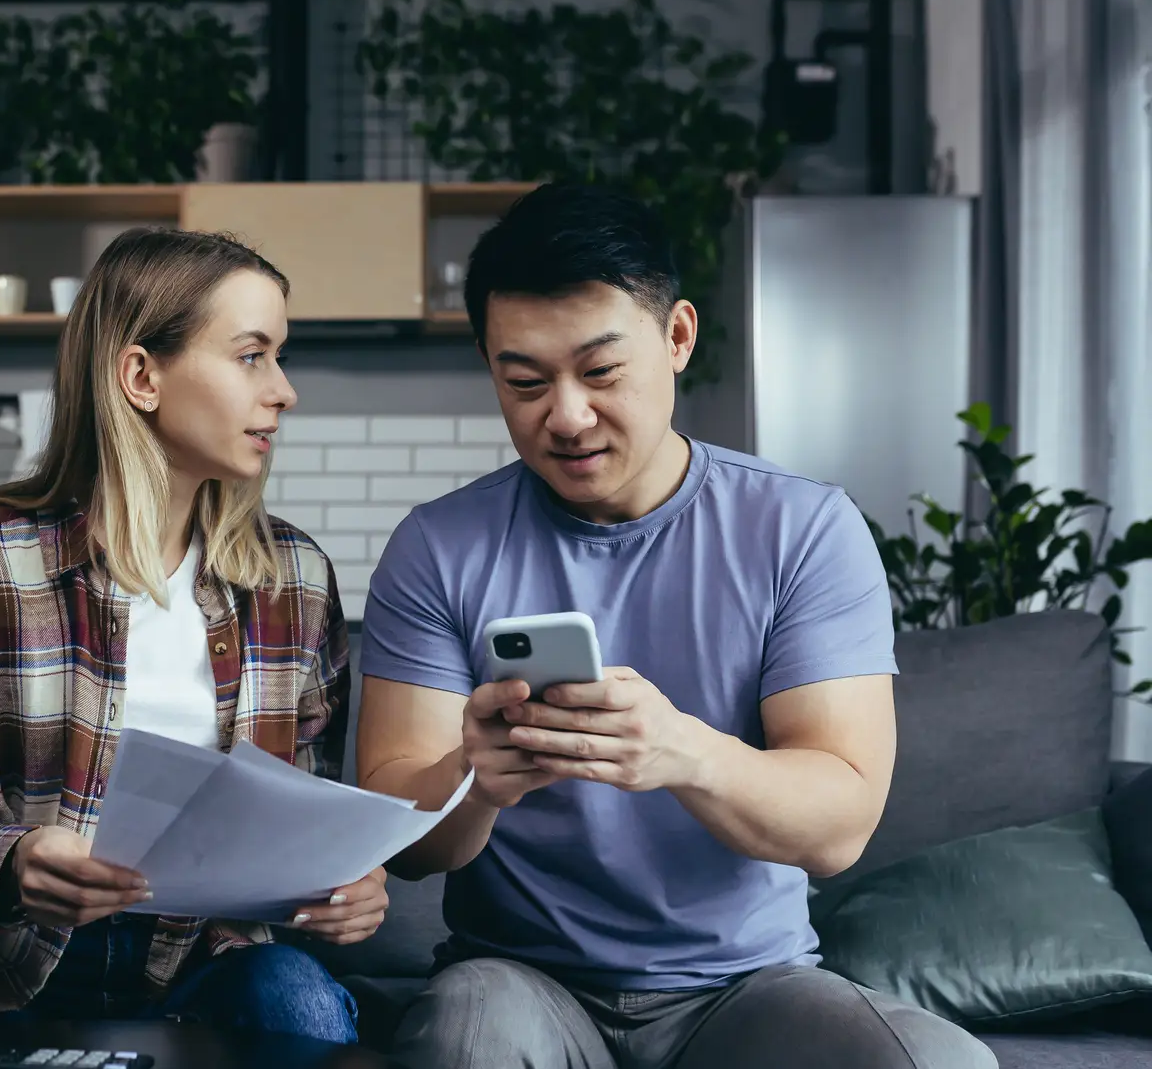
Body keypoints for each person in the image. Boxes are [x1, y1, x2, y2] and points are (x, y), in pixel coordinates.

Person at [353, 183, 997, 1069]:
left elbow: (838, 828)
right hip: (518, 978)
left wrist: (682, 752)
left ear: (678, 337)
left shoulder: (802, 530)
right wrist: (476, 777)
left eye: (602, 371)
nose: (566, 416)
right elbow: (406, 848)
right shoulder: (438, 548)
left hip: (745, 987)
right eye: (525, 382)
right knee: (465, 1044)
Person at [0, 227, 385, 1061]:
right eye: (252, 356)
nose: (284, 391)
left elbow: (314, 822)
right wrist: (17, 865)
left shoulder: (295, 578)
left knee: (303, 1012)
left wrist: (347, 887)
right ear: (141, 375)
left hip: (212, 962)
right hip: (1, 975)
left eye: (280, 357)